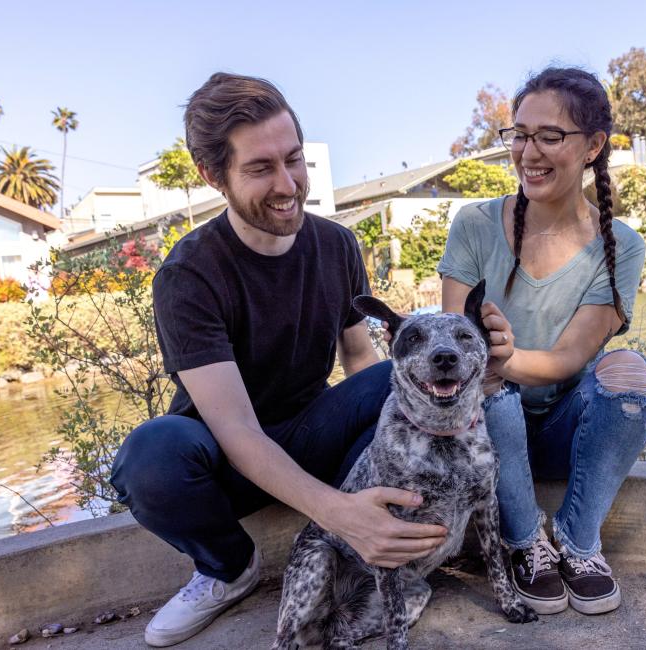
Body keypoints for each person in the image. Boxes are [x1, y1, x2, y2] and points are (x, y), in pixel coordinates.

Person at [109, 73, 448, 648]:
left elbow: (359, 357)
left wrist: (395, 442)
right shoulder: (189, 275)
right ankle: (227, 569)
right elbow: (238, 429)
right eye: (260, 168)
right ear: (213, 176)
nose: (288, 184)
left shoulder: (336, 245)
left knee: (397, 383)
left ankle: (371, 553)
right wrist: (340, 512)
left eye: (294, 159)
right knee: (150, 456)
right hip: (223, 459)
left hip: (313, 437)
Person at [437, 67, 646, 616]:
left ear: (593, 146)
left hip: (566, 427)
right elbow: (451, 353)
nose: (529, 152)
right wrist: (489, 359)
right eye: (520, 134)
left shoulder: (620, 246)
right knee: (485, 380)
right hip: (484, 428)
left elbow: (570, 359)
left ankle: (579, 542)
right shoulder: (474, 224)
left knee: (630, 373)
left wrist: (508, 357)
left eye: (550, 136)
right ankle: (523, 542)